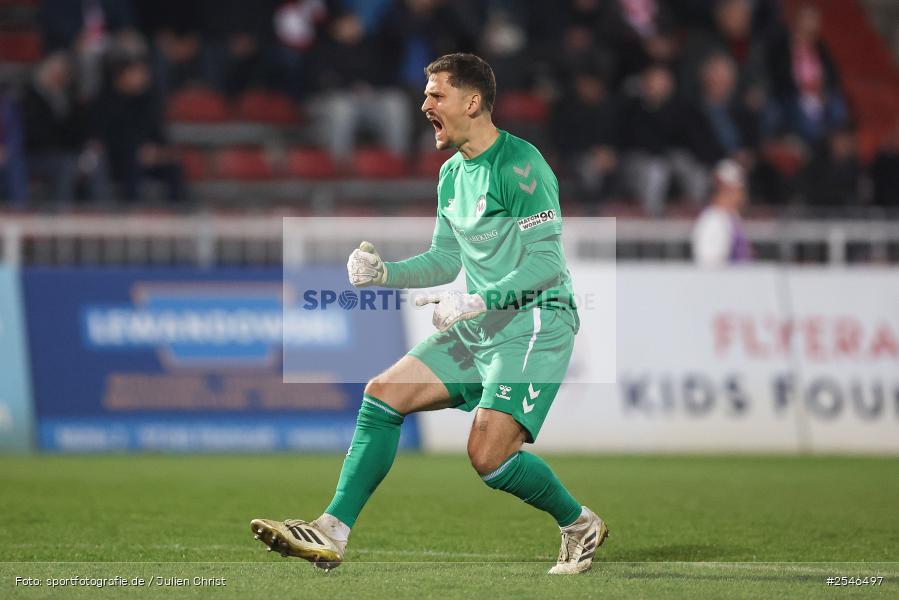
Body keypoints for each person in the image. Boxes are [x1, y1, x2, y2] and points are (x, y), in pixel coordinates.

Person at [251, 53, 607, 575]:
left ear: (472, 101)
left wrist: (479, 299)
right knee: (381, 394)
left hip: (536, 322)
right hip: (482, 322)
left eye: (436, 95)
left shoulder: (521, 165)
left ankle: (578, 524)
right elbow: (446, 257)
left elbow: (548, 265)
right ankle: (331, 530)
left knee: (487, 455)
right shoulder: (450, 176)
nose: (424, 105)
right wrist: (383, 273)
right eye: (426, 95)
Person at [691, 159, 752, 266]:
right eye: (739, 189)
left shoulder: (733, 216)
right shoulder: (712, 220)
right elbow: (710, 264)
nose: (743, 195)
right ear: (726, 189)